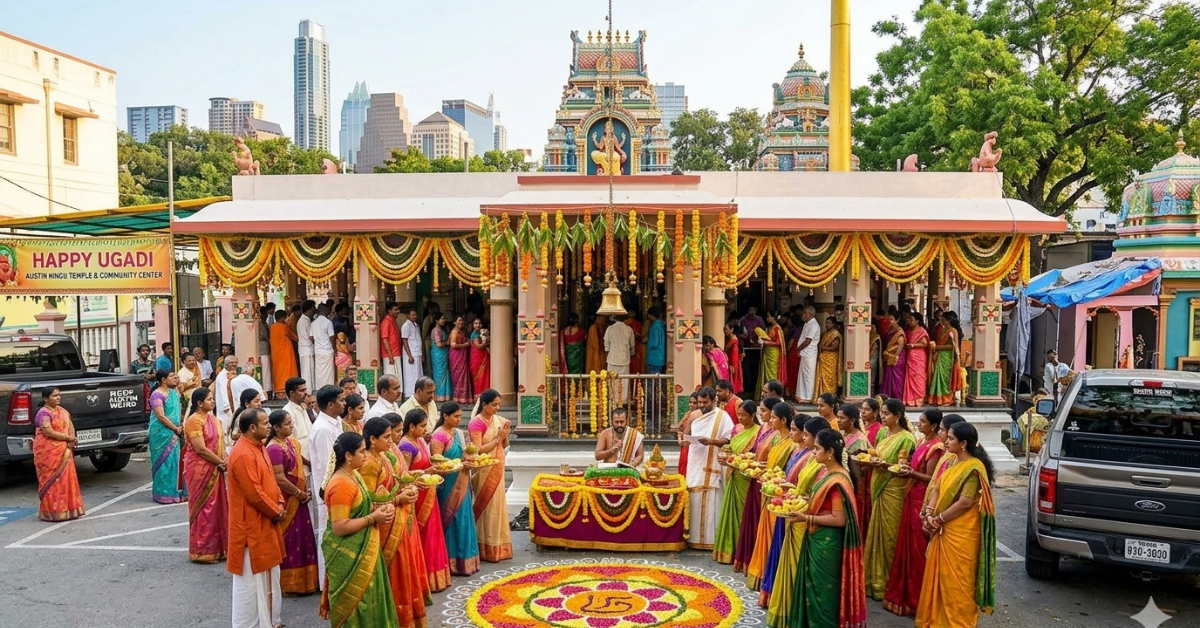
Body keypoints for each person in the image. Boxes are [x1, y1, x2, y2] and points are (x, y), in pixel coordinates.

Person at [783, 428, 868, 628]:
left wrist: (806, 517)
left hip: (827, 545)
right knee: (813, 590)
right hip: (818, 539)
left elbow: (839, 519)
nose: (813, 452)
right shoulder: (828, 472)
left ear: (830, 452)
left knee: (823, 593)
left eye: (817, 449)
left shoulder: (837, 480)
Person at [916, 422, 997, 628]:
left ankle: (957, 623)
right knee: (941, 579)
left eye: (951, 438)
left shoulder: (973, 468)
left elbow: (965, 502)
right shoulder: (952, 461)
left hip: (961, 533)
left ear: (963, 443)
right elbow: (937, 487)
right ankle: (936, 620)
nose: (946, 441)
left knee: (957, 582)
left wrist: (939, 519)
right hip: (944, 527)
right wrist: (930, 512)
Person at [318, 431, 401, 628]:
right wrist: (373, 518)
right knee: (356, 604)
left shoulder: (353, 474)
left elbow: (362, 506)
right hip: (348, 554)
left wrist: (381, 508)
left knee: (369, 598)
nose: (366, 455)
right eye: (362, 452)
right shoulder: (341, 484)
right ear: (348, 455)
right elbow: (339, 527)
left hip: (363, 549)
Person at [358, 417, 429, 628]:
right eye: (387, 437)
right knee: (394, 573)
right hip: (385, 526)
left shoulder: (382, 457)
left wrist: (406, 488)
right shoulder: (369, 463)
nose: (391, 441)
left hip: (395, 520)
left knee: (402, 571)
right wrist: (399, 499)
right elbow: (369, 501)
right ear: (372, 439)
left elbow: (393, 484)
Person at [226, 408, 286, 628]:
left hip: (265, 522)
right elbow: (254, 493)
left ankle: (270, 622)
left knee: (270, 578)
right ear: (252, 428)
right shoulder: (242, 453)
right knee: (250, 586)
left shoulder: (259, 447)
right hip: (251, 526)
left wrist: (279, 502)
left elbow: (271, 481)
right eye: (265, 423)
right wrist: (276, 511)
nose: (269, 426)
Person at [762, 416, 829, 611]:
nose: (803, 439)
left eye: (806, 435)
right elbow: (801, 486)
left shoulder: (820, 463)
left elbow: (815, 495)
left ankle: (793, 605)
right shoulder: (809, 456)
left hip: (803, 518)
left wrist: (795, 497)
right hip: (792, 509)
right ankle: (782, 599)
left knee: (796, 566)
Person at [884, 408, 946, 616]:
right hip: (911, 495)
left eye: (923, 421)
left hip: (921, 499)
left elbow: (932, 478)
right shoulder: (922, 441)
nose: (919, 424)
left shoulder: (936, 447)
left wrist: (910, 473)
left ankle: (918, 600)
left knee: (918, 550)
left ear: (935, 426)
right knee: (907, 547)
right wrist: (906, 467)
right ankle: (904, 596)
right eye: (919, 421)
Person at [863, 398, 917, 601]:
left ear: (898, 416)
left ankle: (888, 582)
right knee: (875, 532)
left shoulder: (907, 439)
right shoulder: (883, 433)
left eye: (886, 414)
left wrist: (882, 464)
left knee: (889, 537)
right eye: (882, 413)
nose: (882, 417)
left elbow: (902, 467)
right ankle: (872, 580)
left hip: (893, 489)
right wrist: (873, 460)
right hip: (878, 486)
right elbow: (877, 454)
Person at [264, 410, 319, 596]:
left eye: (291, 423)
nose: (291, 426)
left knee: (302, 537)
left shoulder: (290, 443)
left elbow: (300, 465)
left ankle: (306, 582)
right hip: (288, 500)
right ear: (276, 428)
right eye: (287, 424)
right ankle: (289, 584)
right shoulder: (273, 449)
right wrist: (298, 493)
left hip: (299, 499)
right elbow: (279, 478)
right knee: (289, 539)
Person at [399, 408, 453, 592]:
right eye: (422, 426)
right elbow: (403, 474)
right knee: (424, 536)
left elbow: (429, 463)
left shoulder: (420, 439)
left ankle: (436, 578)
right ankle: (423, 582)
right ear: (411, 426)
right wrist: (426, 472)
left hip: (429, 492)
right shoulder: (405, 446)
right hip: (417, 496)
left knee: (434, 534)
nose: (425, 429)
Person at [745, 401, 797, 589]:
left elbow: (788, 473)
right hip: (768, 490)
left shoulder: (791, 445)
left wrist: (773, 479)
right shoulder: (777, 438)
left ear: (783, 420)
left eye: (774, 417)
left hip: (778, 495)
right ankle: (763, 573)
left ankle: (770, 576)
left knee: (774, 536)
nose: (770, 420)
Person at [733, 396, 785, 573]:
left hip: (769, 484)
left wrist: (760, 468)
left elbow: (776, 465)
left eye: (763, 410)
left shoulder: (779, 436)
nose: (761, 414)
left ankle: (762, 566)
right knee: (752, 522)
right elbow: (756, 454)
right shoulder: (763, 428)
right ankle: (750, 560)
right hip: (757, 480)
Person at [430, 401, 481, 576]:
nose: (459, 419)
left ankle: (467, 560)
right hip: (448, 485)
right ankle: (452, 562)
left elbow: (467, 452)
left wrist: (470, 459)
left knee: (465, 518)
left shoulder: (459, 432)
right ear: (445, 416)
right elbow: (437, 463)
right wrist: (460, 463)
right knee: (453, 520)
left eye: (460, 416)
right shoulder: (439, 436)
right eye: (456, 416)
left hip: (463, 480)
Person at [685, 386, 735, 550]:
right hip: (695, 461)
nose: (702, 405)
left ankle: (711, 541)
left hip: (712, 464)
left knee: (713, 502)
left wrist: (711, 441)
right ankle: (692, 538)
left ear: (714, 400)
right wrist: (685, 441)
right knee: (693, 496)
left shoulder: (723, 416)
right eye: (699, 402)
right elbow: (687, 437)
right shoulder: (695, 417)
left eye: (705, 402)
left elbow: (728, 439)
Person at [183, 387, 227, 563]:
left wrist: (222, 460)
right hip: (200, 469)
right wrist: (220, 462)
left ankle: (219, 548)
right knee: (204, 509)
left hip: (216, 466)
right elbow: (200, 448)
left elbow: (220, 444)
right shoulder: (194, 421)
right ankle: (202, 551)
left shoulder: (215, 420)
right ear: (199, 403)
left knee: (218, 508)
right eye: (209, 399)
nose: (213, 401)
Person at [713, 399, 761, 564]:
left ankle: (742, 552)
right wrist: (725, 454)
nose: (740, 418)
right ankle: (729, 550)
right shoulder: (736, 429)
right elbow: (730, 448)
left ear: (753, 415)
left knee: (742, 514)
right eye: (738, 414)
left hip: (745, 478)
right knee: (730, 510)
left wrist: (736, 460)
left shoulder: (758, 432)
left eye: (744, 415)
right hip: (732, 474)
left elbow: (756, 456)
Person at [468, 389, 513, 562]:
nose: (497, 408)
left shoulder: (499, 421)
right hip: (484, 469)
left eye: (499, 404)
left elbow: (505, 444)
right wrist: (497, 439)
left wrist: (504, 436)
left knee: (498, 508)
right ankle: (485, 547)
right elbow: (477, 450)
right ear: (484, 405)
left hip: (498, 466)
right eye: (494, 405)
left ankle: (500, 546)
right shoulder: (476, 423)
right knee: (486, 508)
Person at [308, 384, 346, 584]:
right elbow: (327, 465)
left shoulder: (336, 421)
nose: (345, 403)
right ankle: (327, 582)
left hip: (340, 484)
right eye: (341, 400)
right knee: (328, 533)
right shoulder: (322, 429)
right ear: (330, 405)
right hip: (330, 488)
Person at [32, 387, 85, 522]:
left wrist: (72, 439)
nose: (58, 398)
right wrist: (68, 439)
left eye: (58, 395)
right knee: (53, 482)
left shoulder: (63, 411)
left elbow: (70, 426)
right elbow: (48, 432)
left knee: (67, 481)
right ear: (45, 399)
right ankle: (52, 512)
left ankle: (69, 510)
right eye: (54, 396)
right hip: (48, 453)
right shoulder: (43, 413)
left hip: (64, 450)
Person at [148, 369, 187, 504]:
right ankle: (163, 494)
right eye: (172, 376)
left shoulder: (174, 393)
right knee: (164, 463)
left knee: (175, 462)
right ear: (163, 380)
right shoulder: (157, 395)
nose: (176, 377)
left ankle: (175, 492)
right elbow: (160, 416)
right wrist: (175, 428)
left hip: (175, 431)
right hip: (161, 434)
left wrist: (180, 426)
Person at [839, 403, 872, 539]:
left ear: (852, 420)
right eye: (838, 417)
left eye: (842, 418)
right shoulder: (842, 434)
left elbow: (859, 468)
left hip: (855, 484)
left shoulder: (859, 440)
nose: (838, 420)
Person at [213, 357, 265, 436]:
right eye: (231, 363)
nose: (234, 364)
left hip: (236, 406)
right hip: (227, 408)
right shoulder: (222, 376)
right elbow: (223, 393)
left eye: (235, 362)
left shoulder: (237, 375)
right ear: (226, 364)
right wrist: (227, 407)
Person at [929, 311, 963, 406]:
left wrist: (938, 347)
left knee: (946, 378)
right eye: (941, 320)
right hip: (940, 356)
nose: (942, 322)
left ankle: (947, 399)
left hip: (948, 357)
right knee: (938, 376)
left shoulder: (953, 331)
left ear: (948, 321)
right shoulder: (941, 330)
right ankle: (937, 398)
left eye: (944, 320)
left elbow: (954, 346)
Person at [604, 314, 635, 403]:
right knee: (624, 381)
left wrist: (608, 353)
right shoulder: (628, 329)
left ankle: (612, 400)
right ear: (625, 319)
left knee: (611, 380)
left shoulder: (610, 329)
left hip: (612, 359)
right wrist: (631, 354)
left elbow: (606, 344)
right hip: (624, 359)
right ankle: (622, 401)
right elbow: (632, 345)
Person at [902, 313, 931, 407]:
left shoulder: (922, 331)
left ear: (917, 321)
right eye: (909, 319)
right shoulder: (909, 331)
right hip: (910, 357)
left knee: (919, 377)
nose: (909, 322)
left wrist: (913, 345)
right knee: (910, 377)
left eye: (911, 319)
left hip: (919, 357)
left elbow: (925, 343)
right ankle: (910, 399)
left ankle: (919, 398)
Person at [795, 306, 821, 402]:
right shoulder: (808, 324)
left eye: (805, 313)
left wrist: (798, 349)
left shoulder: (814, 325)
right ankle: (801, 396)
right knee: (803, 375)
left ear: (811, 314)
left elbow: (808, 340)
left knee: (808, 376)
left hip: (809, 353)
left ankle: (808, 397)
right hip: (805, 353)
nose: (803, 315)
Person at [757, 313, 785, 398]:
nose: (767, 318)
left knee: (772, 373)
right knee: (766, 374)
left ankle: (774, 393)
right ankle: (766, 393)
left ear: (774, 318)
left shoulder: (777, 328)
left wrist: (765, 342)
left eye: (769, 316)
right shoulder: (770, 328)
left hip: (773, 353)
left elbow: (779, 343)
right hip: (768, 352)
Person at [880, 313, 908, 400]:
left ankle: (897, 398)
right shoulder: (890, 330)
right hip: (889, 356)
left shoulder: (900, 332)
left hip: (897, 357)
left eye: (891, 319)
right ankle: (887, 397)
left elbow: (900, 345)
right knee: (888, 377)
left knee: (896, 379)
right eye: (889, 319)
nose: (889, 321)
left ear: (897, 320)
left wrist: (895, 356)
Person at [814, 317, 842, 402]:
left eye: (829, 323)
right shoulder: (826, 333)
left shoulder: (835, 334)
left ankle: (830, 396)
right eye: (826, 323)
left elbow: (835, 347)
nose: (827, 325)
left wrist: (823, 347)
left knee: (830, 378)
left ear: (833, 324)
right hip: (824, 358)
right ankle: (822, 395)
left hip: (831, 359)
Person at [399, 308, 424, 398]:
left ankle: (417, 391)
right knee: (411, 375)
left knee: (417, 374)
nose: (415, 317)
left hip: (417, 353)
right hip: (411, 354)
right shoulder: (406, 326)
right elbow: (404, 341)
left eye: (415, 315)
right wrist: (409, 355)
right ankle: (410, 393)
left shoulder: (416, 325)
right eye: (412, 315)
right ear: (408, 315)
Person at [675, 392, 701, 476]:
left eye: (694, 403)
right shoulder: (688, 414)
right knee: (683, 470)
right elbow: (680, 429)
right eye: (690, 402)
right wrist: (679, 439)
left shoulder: (702, 416)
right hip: (684, 446)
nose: (691, 405)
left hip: (694, 447)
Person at [312, 304, 337, 389]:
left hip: (318, 351)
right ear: (325, 311)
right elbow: (331, 337)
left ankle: (320, 388)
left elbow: (310, 337)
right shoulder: (328, 322)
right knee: (328, 372)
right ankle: (329, 388)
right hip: (327, 350)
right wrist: (334, 348)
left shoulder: (313, 323)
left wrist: (318, 340)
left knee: (319, 372)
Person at [449, 315, 473, 404]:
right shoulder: (455, 332)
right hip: (456, 357)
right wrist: (465, 345)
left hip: (461, 356)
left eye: (462, 321)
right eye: (459, 321)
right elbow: (453, 345)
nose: (461, 322)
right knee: (458, 375)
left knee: (463, 375)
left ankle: (462, 398)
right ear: (454, 322)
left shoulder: (460, 332)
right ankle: (458, 397)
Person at [430, 312, 452, 402]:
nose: (444, 320)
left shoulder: (441, 330)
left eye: (444, 319)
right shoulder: (436, 331)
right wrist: (447, 343)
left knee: (444, 373)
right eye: (442, 319)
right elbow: (439, 344)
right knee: (439, 373)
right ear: (436, 320)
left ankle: (444, 395)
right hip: (438, 354)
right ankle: (439, 395)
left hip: (442, 354)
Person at [380, 302, 403, 385]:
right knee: (392, 377)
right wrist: (390, 356)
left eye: (398, 309)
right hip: (391, 355)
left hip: (395, 353)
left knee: (396, 375)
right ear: (389, 311)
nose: (398, 311)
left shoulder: (392, 321)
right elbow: (385, 339)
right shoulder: (386, 322)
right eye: (395, 310)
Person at [469, 318, 491, 396]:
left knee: (484, 375)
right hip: (477, 358)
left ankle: (484, 393)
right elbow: (478, 346)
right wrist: (485, 343)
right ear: (473, 325)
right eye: (476, 323)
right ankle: (479, 394)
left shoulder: (481, 333)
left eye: (479, 323)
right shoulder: (474, 334)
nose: (478, 325)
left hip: (482, 357)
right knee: (479, 377)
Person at [724, 321, 744, 395]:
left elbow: (733, 355)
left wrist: (730, 364)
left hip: (733, 362)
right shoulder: (729, 339)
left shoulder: (734, 340)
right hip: (729, 361)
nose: (724, 331)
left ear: (731, 329)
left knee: (734, 377)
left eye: (726, 329)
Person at [257, 306, 273, 396]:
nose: (267, 316)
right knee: (266, 369)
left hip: (265, 347)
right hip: (263, 348)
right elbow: (264, 335)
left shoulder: (264, 323)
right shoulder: (259, 323)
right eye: (266, 314)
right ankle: (267, 390)